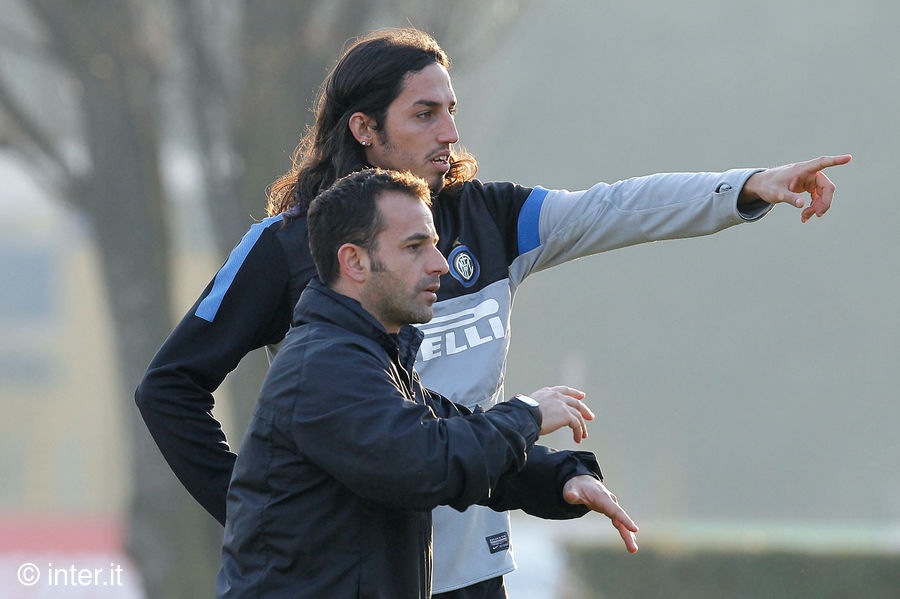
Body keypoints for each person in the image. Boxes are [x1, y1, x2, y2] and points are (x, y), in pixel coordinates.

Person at [135, 27, 850, 599]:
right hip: (348, 573)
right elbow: (170, 387)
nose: (450, 131)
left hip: (473, 570)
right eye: (425, 114)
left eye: (452, 110)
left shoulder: (494, 218)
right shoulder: (288, 244)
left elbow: (616, 207)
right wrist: (255, 513)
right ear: (364, 128)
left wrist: (747, 186)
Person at [215, 168, 638, 598]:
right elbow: (424, 463)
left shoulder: (371, 357)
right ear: (354, 261)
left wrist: (560, 477)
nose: (440, 264)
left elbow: (450, 434)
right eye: (415, 247)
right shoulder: (325, 366)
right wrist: (528, 414)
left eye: (434, 244)